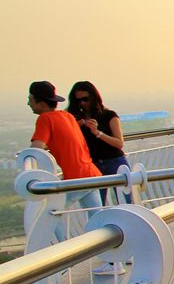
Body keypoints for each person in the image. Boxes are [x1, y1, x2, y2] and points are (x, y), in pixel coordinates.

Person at [28, 81, 116, 271]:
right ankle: (114, 261)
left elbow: (37, 149)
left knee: (49, 210)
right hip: (91, 174)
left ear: (41, 103)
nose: (28, 103)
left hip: (78, 179)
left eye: (30, 99)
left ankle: (67, 254)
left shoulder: (45, 119)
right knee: (99, 219)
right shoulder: (66, 116)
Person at [67, 81, 129, 206]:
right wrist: (73, 126)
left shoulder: (109, 115)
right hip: (93, 166)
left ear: (94, 97)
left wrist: (97, 132)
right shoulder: (74, 118)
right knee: (97, 206)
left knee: (126, 202)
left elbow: (119, 143)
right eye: (78, 100)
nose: (82, 103)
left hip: (114, 161)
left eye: (85, 99)